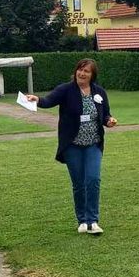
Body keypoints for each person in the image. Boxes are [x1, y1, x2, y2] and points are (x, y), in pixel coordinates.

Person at [26, 59, 117, 234]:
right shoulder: (66, 90)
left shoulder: (99, 92)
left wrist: (109, 120)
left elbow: (105, 114)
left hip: (93, 144)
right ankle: (82, 220)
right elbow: (48, 101)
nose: (82, 73)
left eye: (86, 71)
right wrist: (36, 99)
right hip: (72, 146)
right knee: (79, 184)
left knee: (93, 180)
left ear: (92, 75)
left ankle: (93, 221)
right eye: (80, 70)